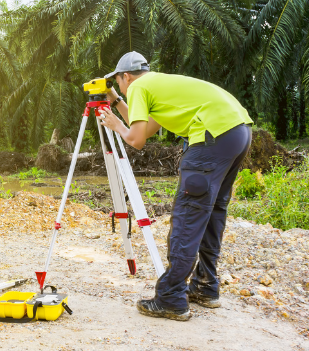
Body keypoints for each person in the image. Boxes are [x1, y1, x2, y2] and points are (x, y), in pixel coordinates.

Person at [97, 51, 253, 321]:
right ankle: (206, 287)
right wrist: (117, 101)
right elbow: (146, 128)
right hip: (237, 131)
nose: (121, 87)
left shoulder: (139, 87)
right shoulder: (156, 84)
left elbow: (135, 139)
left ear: (126, 77)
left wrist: (113, 123)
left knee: (188, 216)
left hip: (211, 137)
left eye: (119, 83)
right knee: (211, 213)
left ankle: (171, 298)